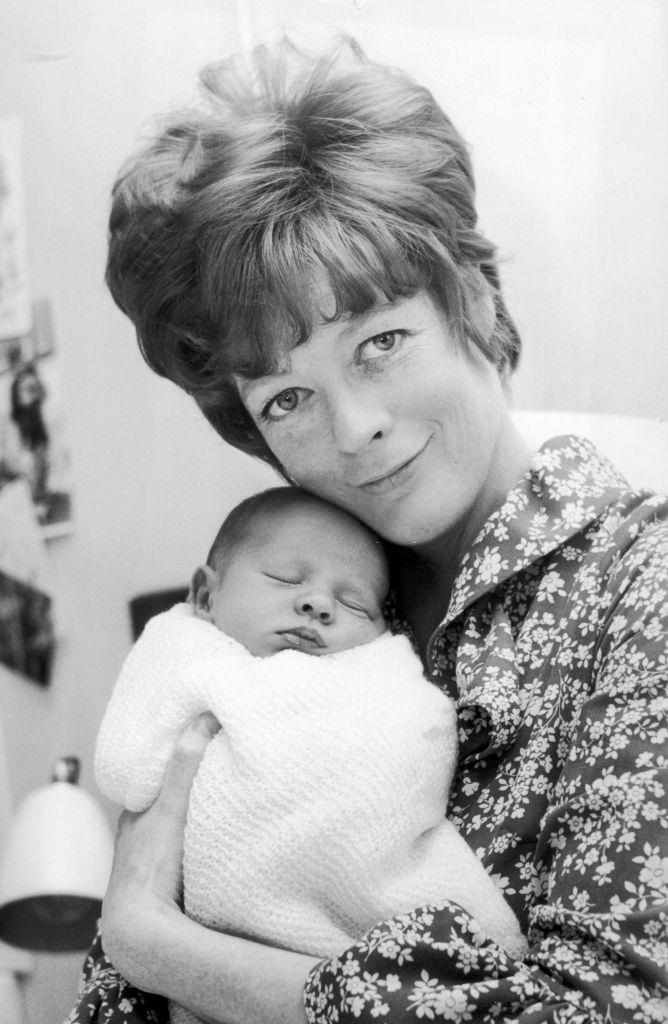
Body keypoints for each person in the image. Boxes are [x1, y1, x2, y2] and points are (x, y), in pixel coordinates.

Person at [66, 34, 667, 1024]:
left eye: (379, 342)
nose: (354, 430)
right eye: (287, 399)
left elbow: (615, 1012)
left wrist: (162, 947)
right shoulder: (260, 605)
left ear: (469, 295)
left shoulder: (637, 584)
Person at [94, 485, 526, 1024]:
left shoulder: (381, 678)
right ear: (205, 597)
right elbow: (126, 769)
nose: (319, 604)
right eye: (285, 579)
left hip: (379, 964)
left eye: (352, 603)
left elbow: (414, 749)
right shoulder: (182, 652)